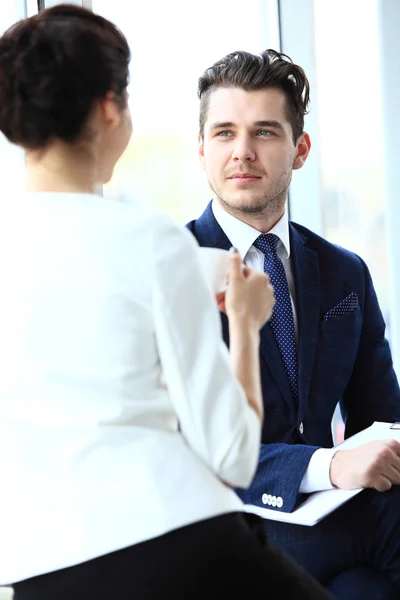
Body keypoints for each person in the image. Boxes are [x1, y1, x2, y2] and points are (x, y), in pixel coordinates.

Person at [0, 6, 335, 600]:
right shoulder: (152, 241)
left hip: (36, 569)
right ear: (110, 108)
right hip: (175, 542)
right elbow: (231, 458)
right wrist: (248, 322)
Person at [186, 48, 400, 597]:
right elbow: (188, 448)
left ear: (300, 149)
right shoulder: (173, 269)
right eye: (225, 133)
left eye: (264, 132)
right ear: (202, 150)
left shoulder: (343, 272)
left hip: (334, 532)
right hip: (227, 526)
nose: (242, 152)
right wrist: (328, 467)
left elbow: (383, 416)